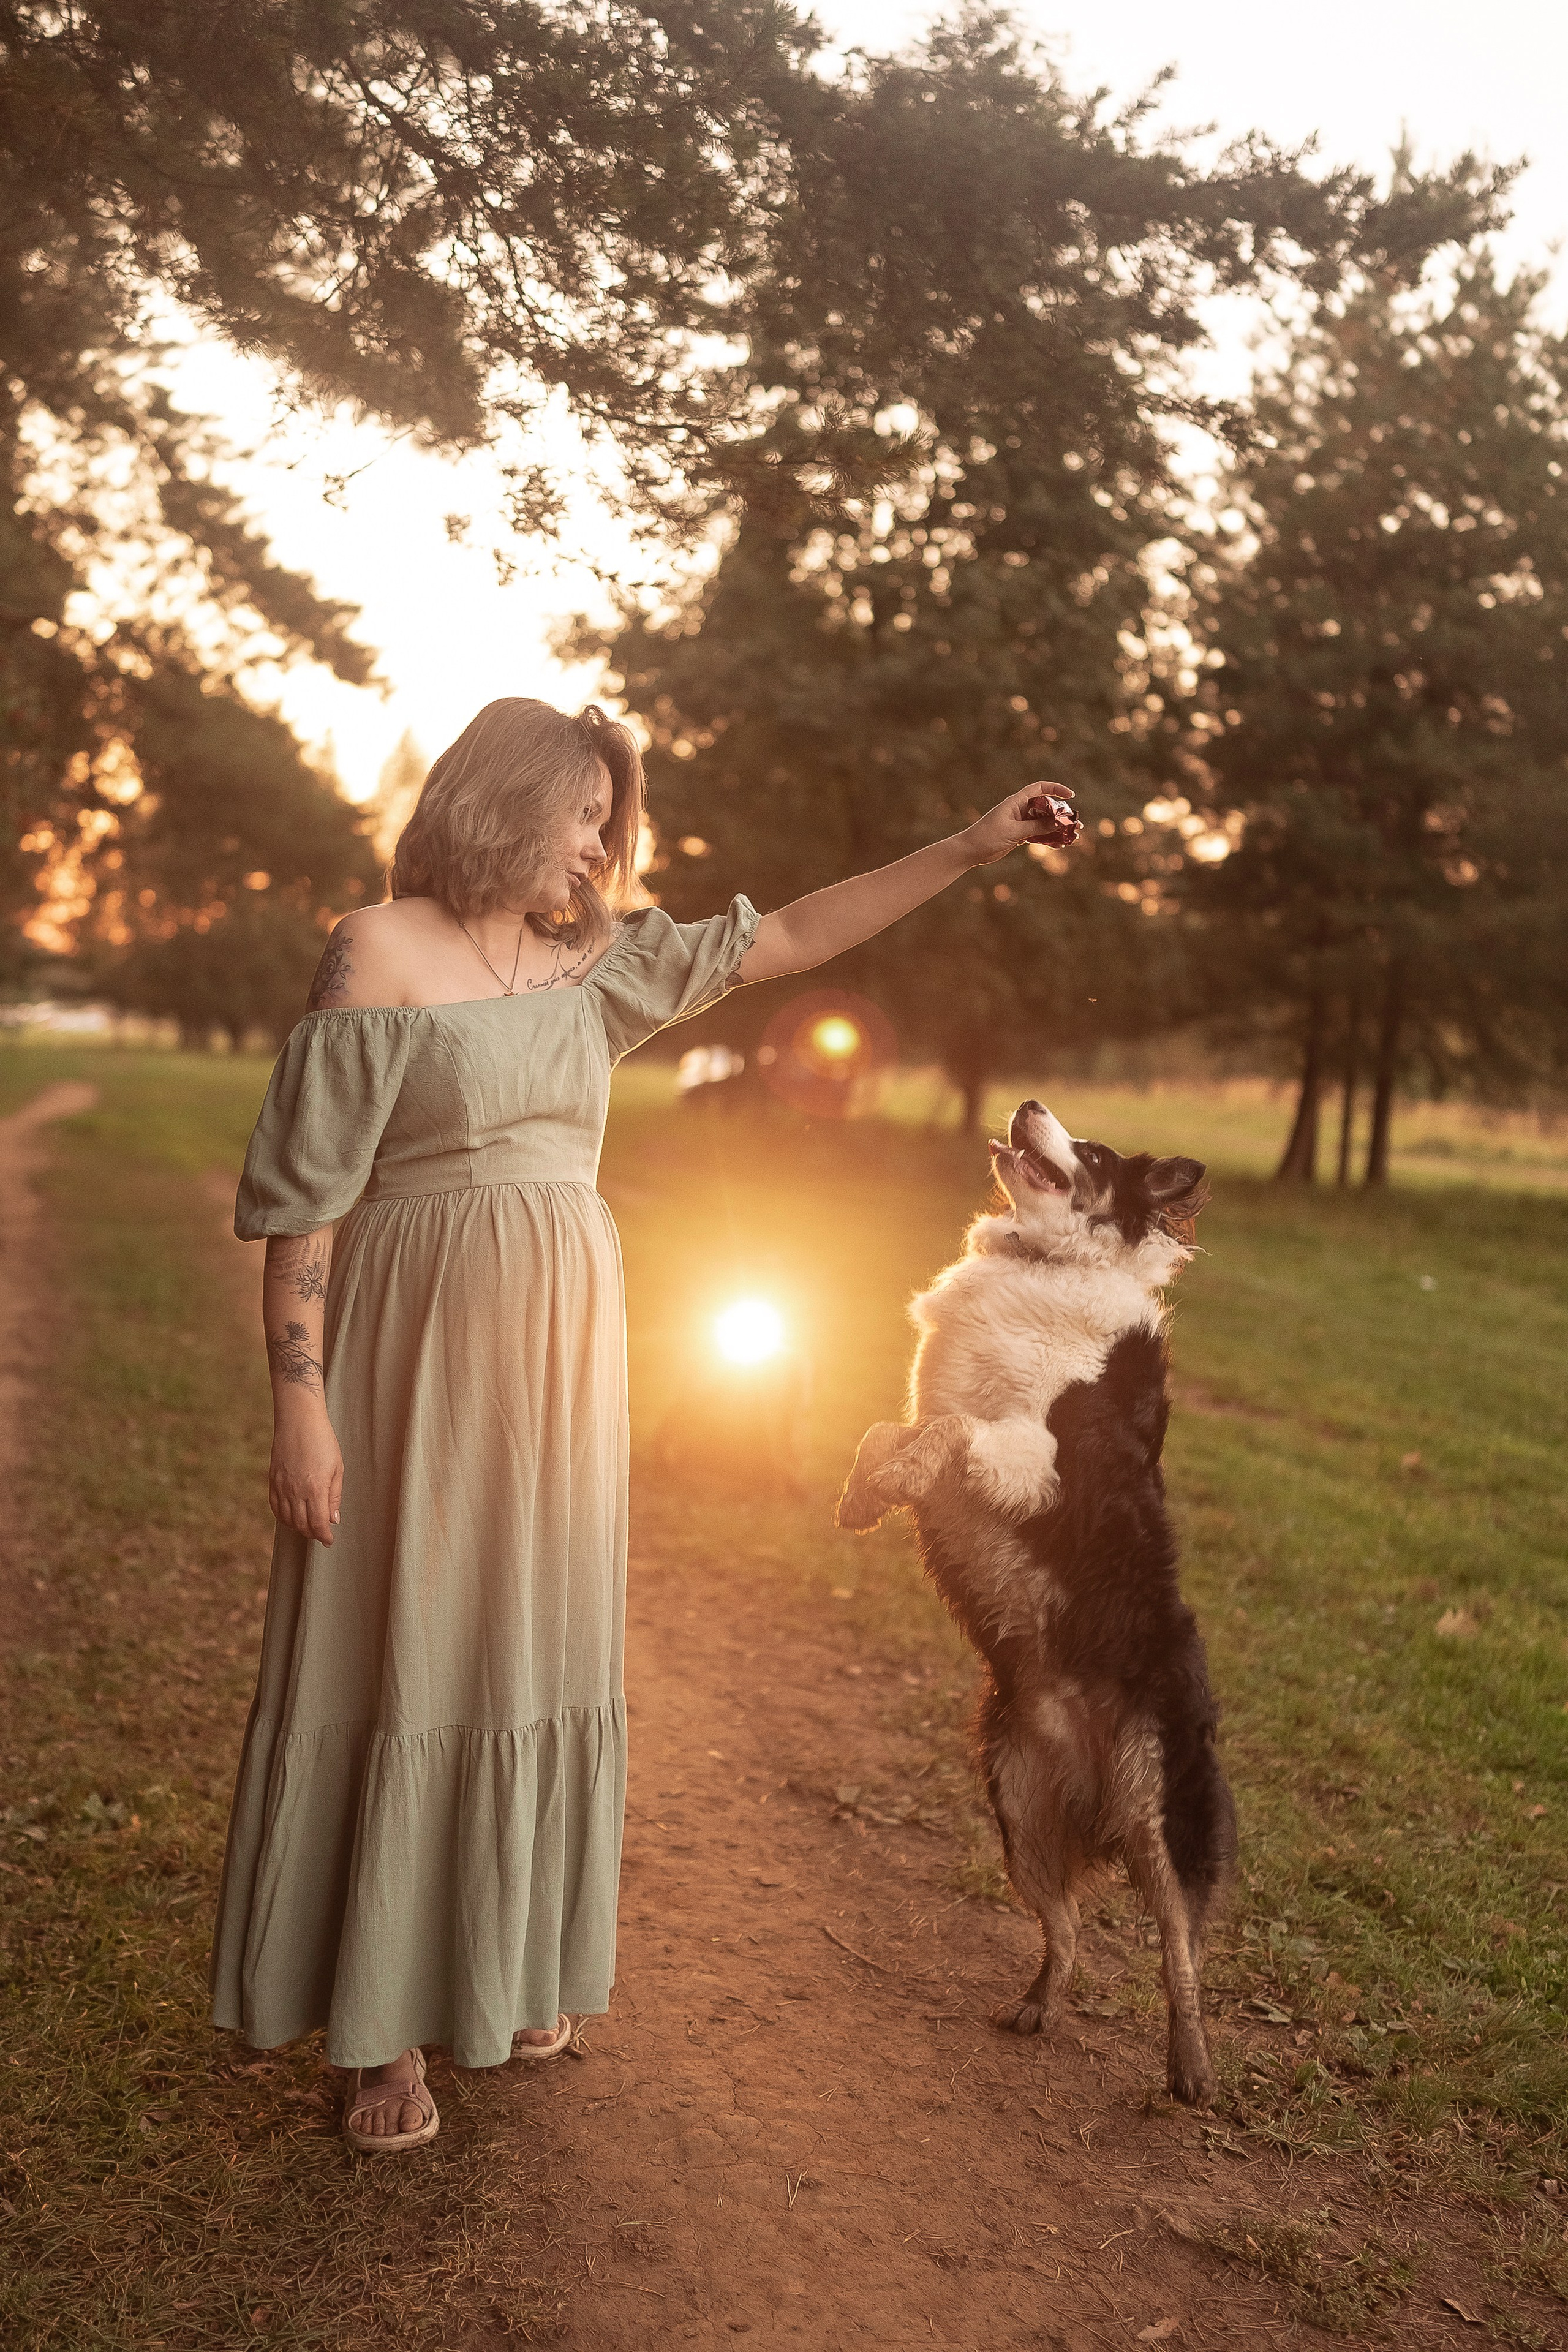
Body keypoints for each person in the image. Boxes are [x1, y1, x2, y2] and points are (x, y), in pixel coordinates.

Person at [209, 696, 1076, 2152]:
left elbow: (791, 935)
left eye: (609, 827)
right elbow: (306, 1215)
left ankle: (504, 1969)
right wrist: (300, 1407)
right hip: (409, 1354)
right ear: (506, 802)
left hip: (559, 1362)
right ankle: (382, 2034)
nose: (599, 851)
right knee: (403, 1641)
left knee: (528, 1643)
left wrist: (969, 847)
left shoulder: (593, 963)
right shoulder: (376, 951)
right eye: (586, 819)